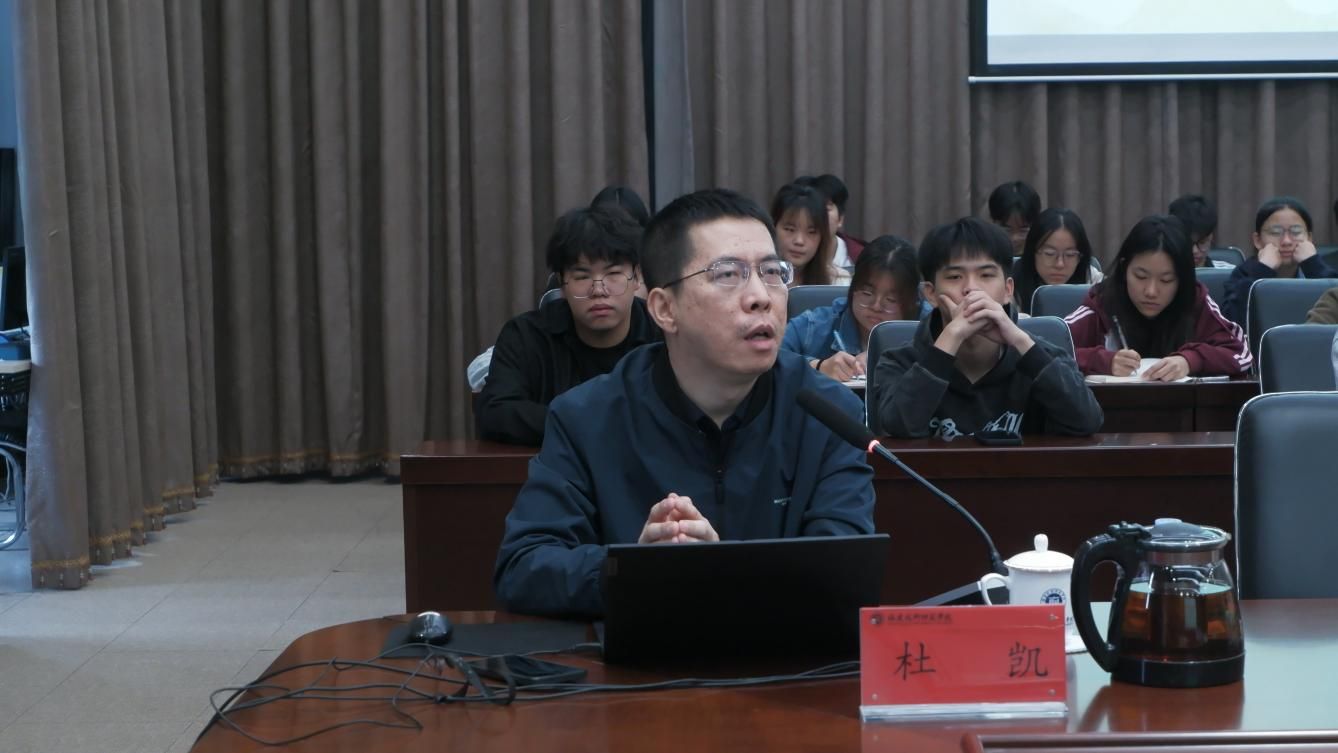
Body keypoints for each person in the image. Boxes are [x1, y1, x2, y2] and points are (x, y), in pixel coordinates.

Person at [493, 189, 877, 616]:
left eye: (772, 272)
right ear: (664, 309)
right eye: (728, 274)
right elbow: (523, 567)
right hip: (641, 654)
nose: (762, 296)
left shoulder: (828, 414)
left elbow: (844, 572)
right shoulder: (587, 417)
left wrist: (717, 569)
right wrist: (633, 570)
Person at [874, 217, 1102, 439]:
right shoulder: (900, 362)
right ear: (931, 294)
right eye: (954, 276)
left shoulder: (1043, 356)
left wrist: (1019, 340)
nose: (971, 289)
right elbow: (899, 426)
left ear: (1008, 290)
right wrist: (952, 336)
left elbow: (1087, 421)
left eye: (986, 275)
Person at [474, 206, 661, 446]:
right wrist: (588, 424)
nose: (598, 290)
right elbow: (495, 413)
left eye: (613, 273)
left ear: (637, 277)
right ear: (561, 283)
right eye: (582, 276)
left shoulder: (665, 332)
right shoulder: (526, 335)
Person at [1065, 215, 1252, 380]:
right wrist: (1101, 361)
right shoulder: (1102, 302)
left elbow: (1241, 352)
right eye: (1140, 276)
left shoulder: (1194, 300)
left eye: (1166, 280)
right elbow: (1051, 349)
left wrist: (1190, 360)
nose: (1151, 291)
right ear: (1124, 268)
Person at [782, 236, 926, 382]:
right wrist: (819, 366)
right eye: (867, 293)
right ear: (853, 287)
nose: (876, 306)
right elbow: (775, 356)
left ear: (913, 302)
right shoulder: (815, 325)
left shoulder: (931, 325)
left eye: (891, 300)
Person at [1222, 196, 1338, 325]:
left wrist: (1313, 264)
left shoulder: (1322, 268)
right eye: (1275, 233)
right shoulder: (1244, 273)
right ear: (1257, 240)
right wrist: (1262, 269)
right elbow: (1232, 321)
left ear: (1309, 238)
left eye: (1296, 232)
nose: (1286, 241)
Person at [1012, 208, 1103, 315]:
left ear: (1080, 257)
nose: (1060, 264)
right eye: (1050, 254)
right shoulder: (1012, 284)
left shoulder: (1093, 280)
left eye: (1070, 255)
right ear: (1032, 252)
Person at [771, 182, 850, 286]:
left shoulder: (838, 283)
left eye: (811, 232)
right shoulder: (756, 278)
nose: (799, 241)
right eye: (790, 229)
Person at [797, 173, 866, 269]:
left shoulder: (861, 259)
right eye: (809, 208)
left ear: (840, 218)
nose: (816, 214)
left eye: (825, 208)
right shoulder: (781, 255)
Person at [1168, 194, 1233, 269]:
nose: (1195, 251)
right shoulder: (1160, 274)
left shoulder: (1229, 272)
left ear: (1211, 237)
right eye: (1188, 243)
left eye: (1202, 242)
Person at [987, 180, 1042, 256]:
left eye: (1023, 230)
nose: (1014, 238)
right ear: (992, 223)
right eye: (1007, 230)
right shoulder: (982, 255)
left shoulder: (1042, 256)